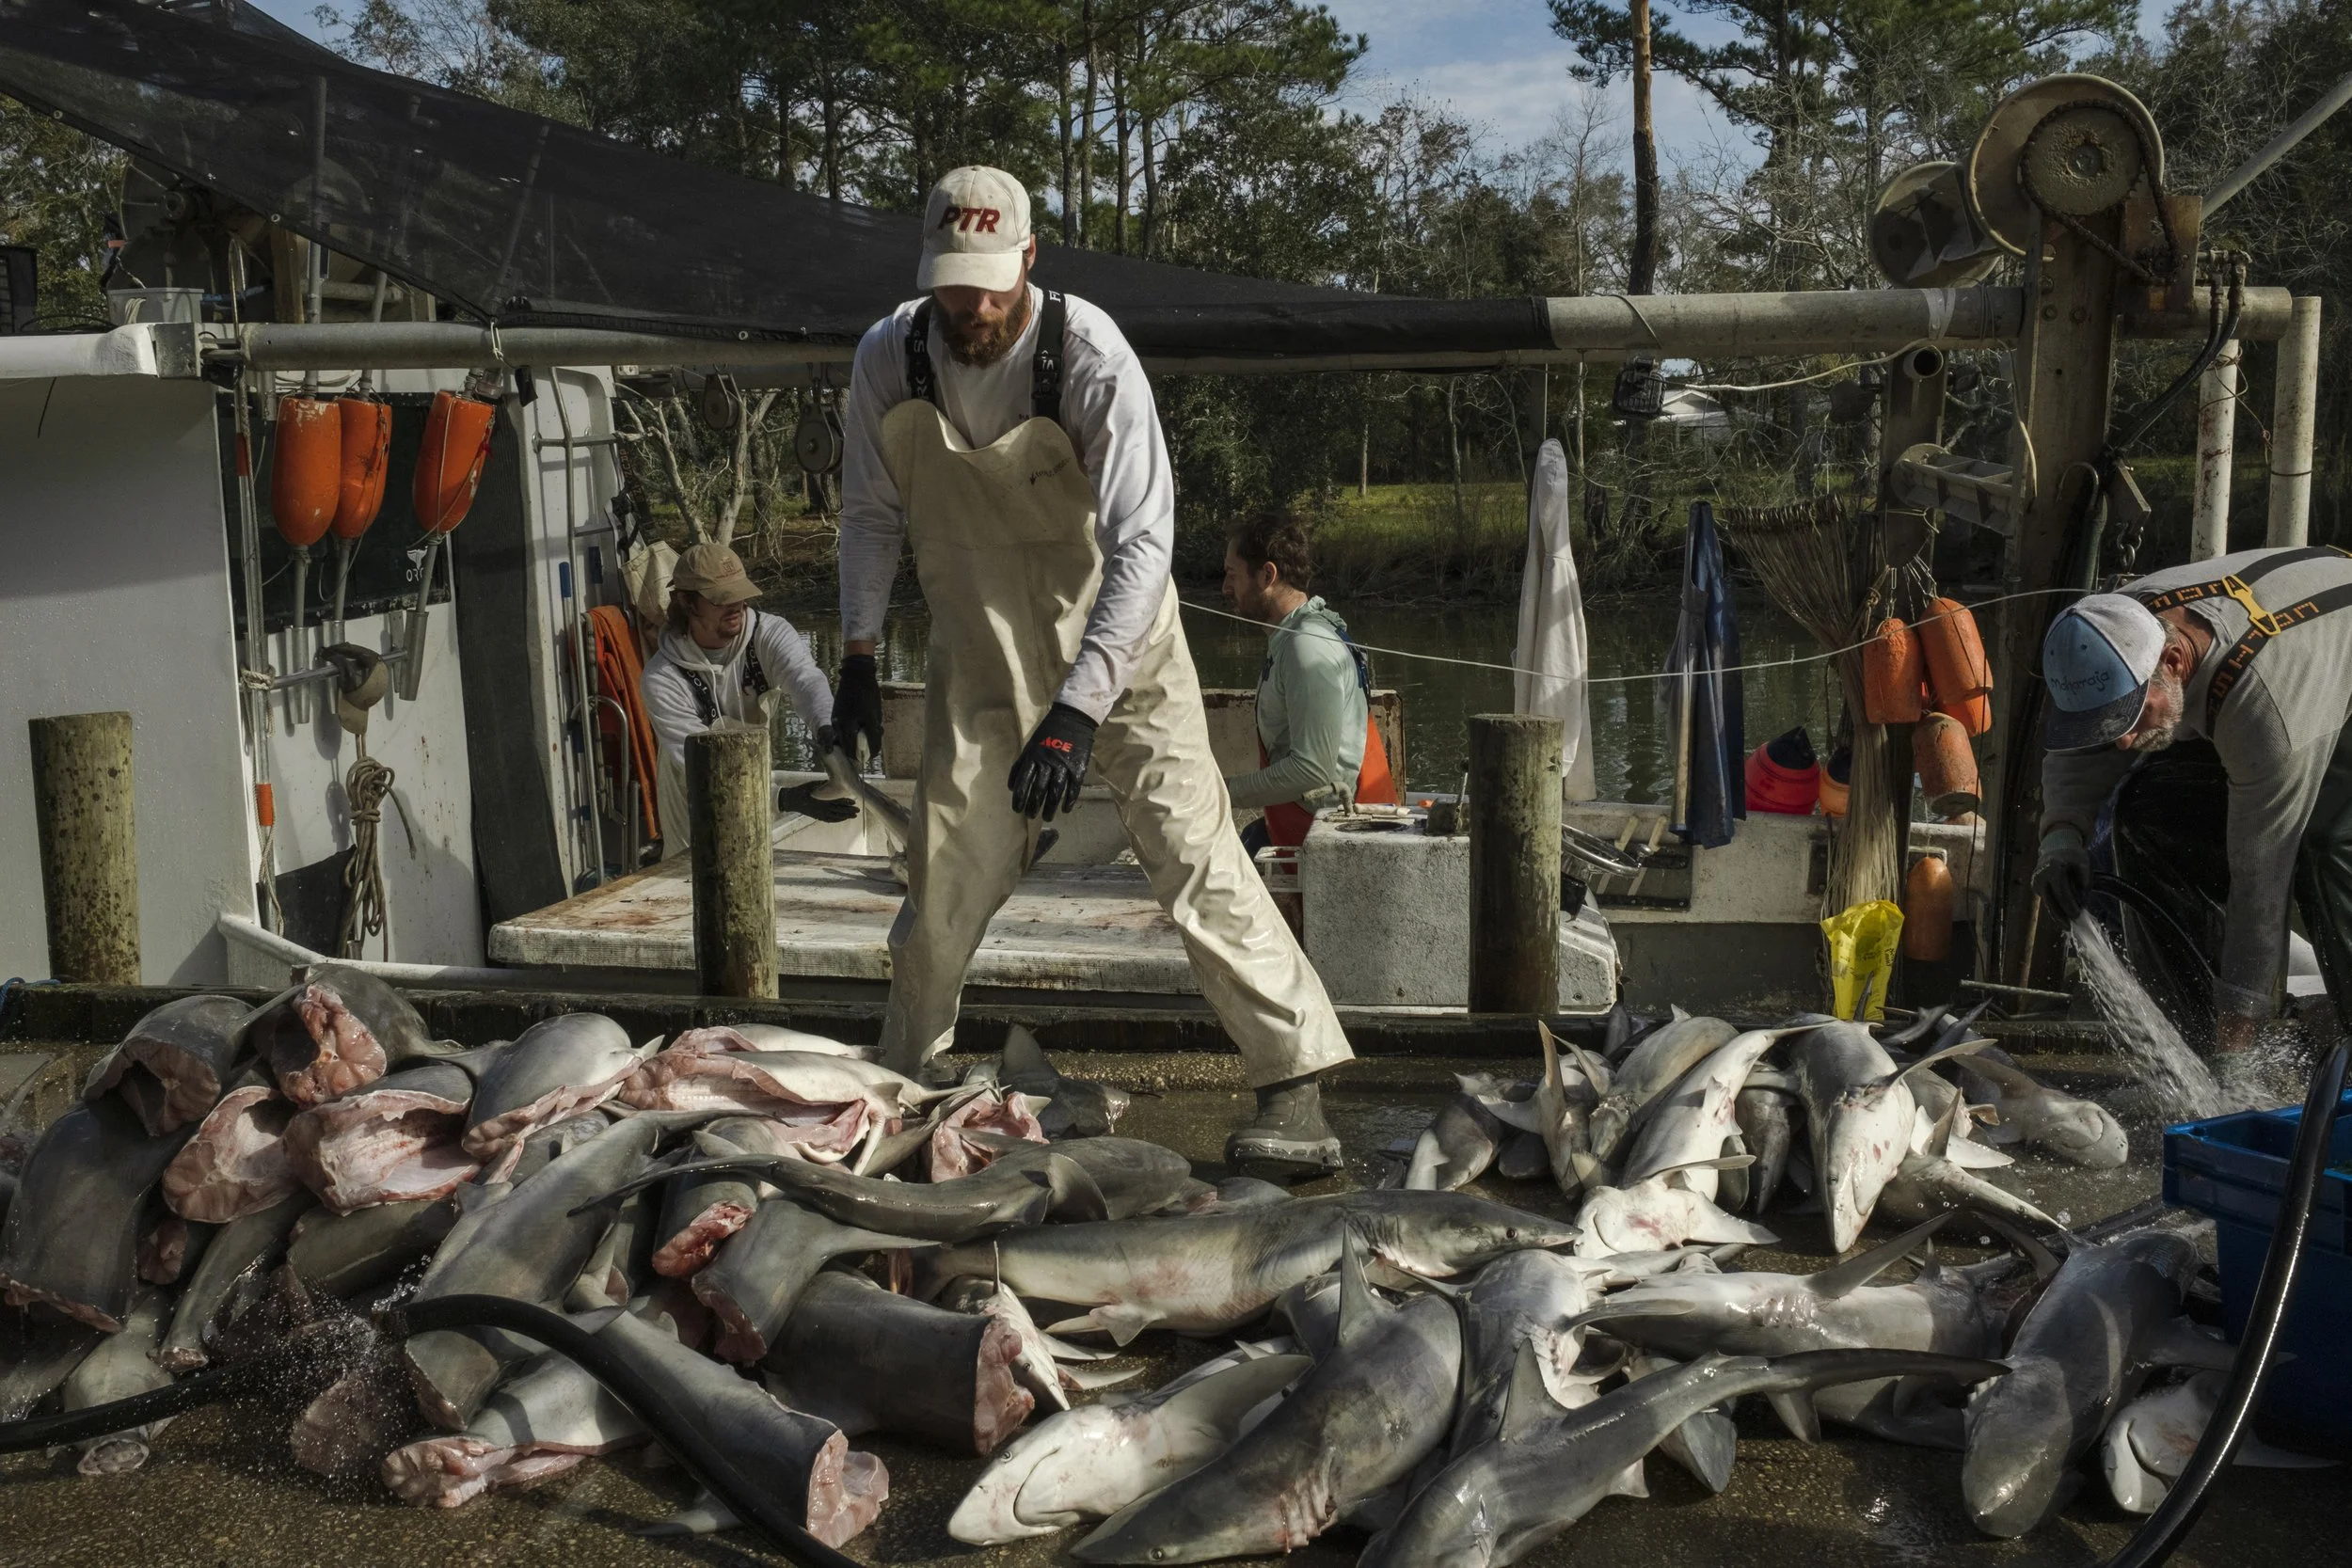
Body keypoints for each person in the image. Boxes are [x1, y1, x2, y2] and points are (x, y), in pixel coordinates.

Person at [832, 165, 1354, 1176]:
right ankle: (907, 1073)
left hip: (1126, 649)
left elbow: (1142, 540)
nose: (970, 306)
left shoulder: (1087, 353)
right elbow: (868, 514)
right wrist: (857, 654)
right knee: (944, 866)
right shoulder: (887, 357)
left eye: (989, 284)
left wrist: (1079, 708)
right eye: (952, 285)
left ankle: (1294, 1083)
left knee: (1192, 850)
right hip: (981, 650)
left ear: (1028, 258)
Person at [2034, 544, 2352, 1083]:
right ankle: (2191, 1051)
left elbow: (2261, 885)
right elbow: (2084, 746)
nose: (2126, 741)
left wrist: (2241, 1042)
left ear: (2174, 662)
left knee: (2325, 847)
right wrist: (2062, 834)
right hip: (2264, 671)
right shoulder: (2108, 630)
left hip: (2324, 684)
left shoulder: (2268, 712)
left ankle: (2279, 1061)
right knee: (2146, 815)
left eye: (2133, 717)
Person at [640, 541, 848, 857]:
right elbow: (701, 768)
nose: (735, 605)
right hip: (692, 807)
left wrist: (826, 726)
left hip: (755, 788)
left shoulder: (769, 634)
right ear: (687, 602)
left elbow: (806, 680)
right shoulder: (662, 678)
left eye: (739, 593)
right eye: (721, 599)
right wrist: (783, 799)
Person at [1218, 512, 1396, 852]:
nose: (1225, 588)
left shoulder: (1307, 646)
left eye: (1232, 575)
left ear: (1267, 575)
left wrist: (1219, 793)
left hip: (1340, 844)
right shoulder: (1291, 639)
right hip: (1314, 827)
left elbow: (1311, 771)